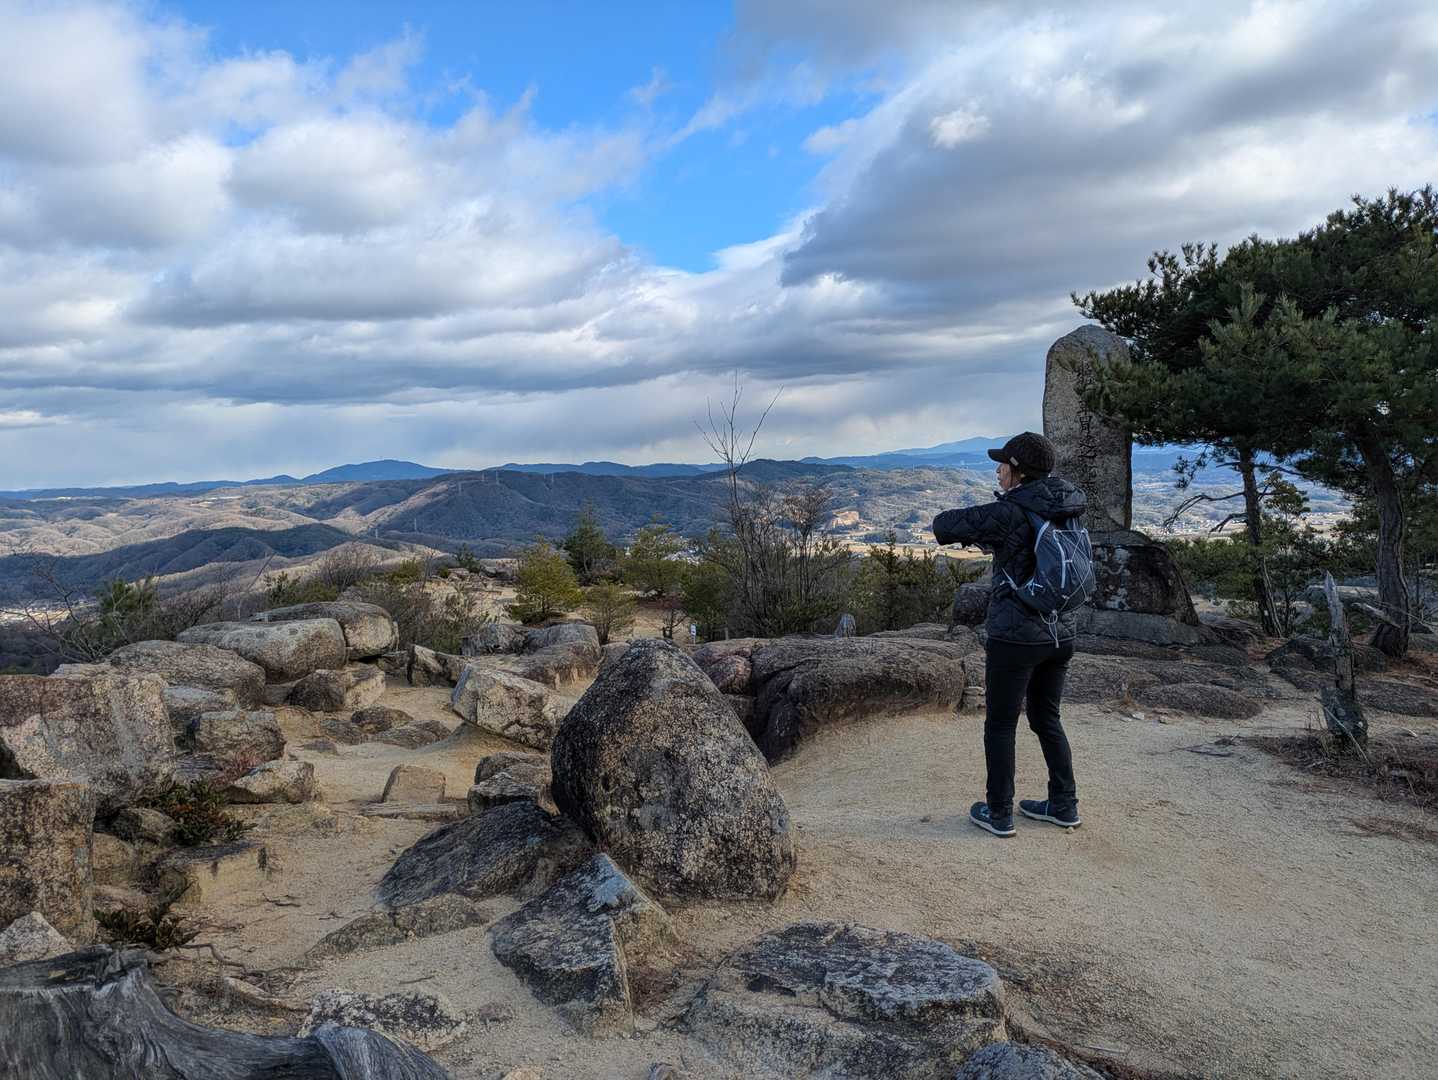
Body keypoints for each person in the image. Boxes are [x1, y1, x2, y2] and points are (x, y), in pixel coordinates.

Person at [932, 431, 1087, 837]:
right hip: (1060, 634)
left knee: (1000, 724)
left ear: (1018, 471)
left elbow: (944, 525)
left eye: (1003, 464)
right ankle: (1064, 805)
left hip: (1016, 638)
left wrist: (987, 520)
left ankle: (999, 812)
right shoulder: (1067, 506)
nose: (998, 471)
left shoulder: (1011, 511)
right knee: (1047, 718)